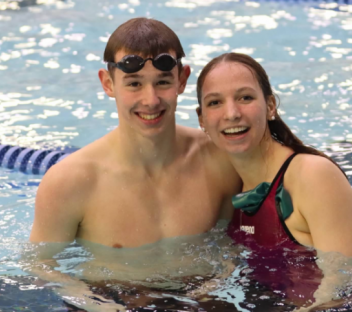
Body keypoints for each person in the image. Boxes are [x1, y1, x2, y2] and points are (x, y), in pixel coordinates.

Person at [30, 18, 241, 248]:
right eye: (134, 84)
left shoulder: (221, 162)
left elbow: (230, 245)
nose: (151, 100)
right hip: (104, 285)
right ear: (108, 83)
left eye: (162, 82)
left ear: (182, 80)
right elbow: (44, 271)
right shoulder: (67, 183)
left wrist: (219, 281)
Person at [195, 52, 352, 309]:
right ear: (202, 120)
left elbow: (342, 284)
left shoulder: (312, 176)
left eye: (245, 98)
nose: (231, 113)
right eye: (215, 102)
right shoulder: (230, 186)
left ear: (271, 106)